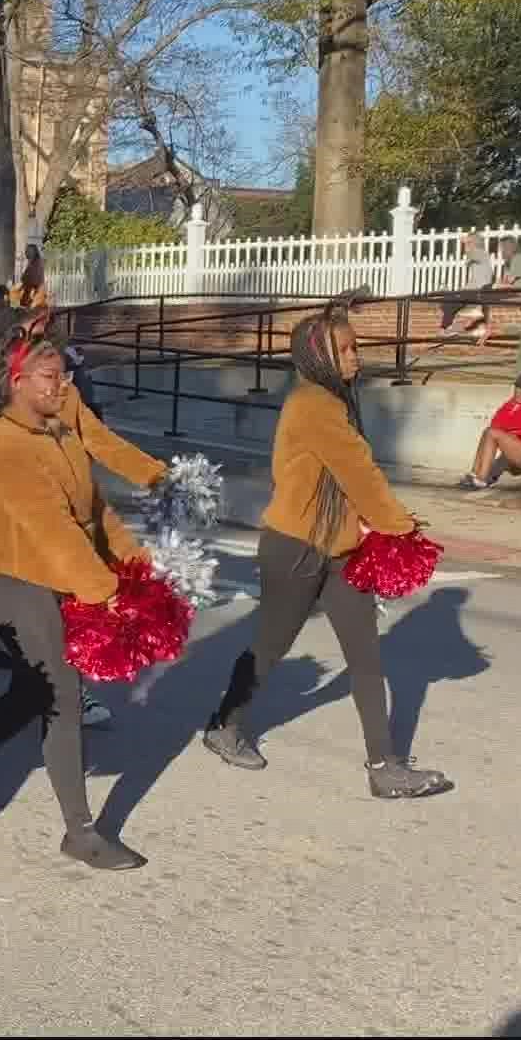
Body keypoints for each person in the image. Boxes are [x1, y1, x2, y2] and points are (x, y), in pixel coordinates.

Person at [201, 294, 454, 799]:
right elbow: (358, 472)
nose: (357, 357)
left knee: (365, 655)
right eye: (347, 348)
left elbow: (348, 479)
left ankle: (384, 767)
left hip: (339, 550)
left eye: (356, 347)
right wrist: (400, 528)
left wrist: (371, 527)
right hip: (295, 548)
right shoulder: (314, 404)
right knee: (270, 648)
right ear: (319, 354)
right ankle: (224, 726)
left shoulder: (333, 401)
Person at [0, 324, 153, 871]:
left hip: (53, 575)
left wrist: (136, 567)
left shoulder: (59, 433)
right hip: (12, 583)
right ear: (16, 382)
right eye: (52, 378)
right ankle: (80, 832)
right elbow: (52, 531)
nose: (63, 386)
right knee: (62, 690)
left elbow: (95, 512)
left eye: (64, 376)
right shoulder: (4, 446)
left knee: (32, 694)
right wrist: (105, 594)